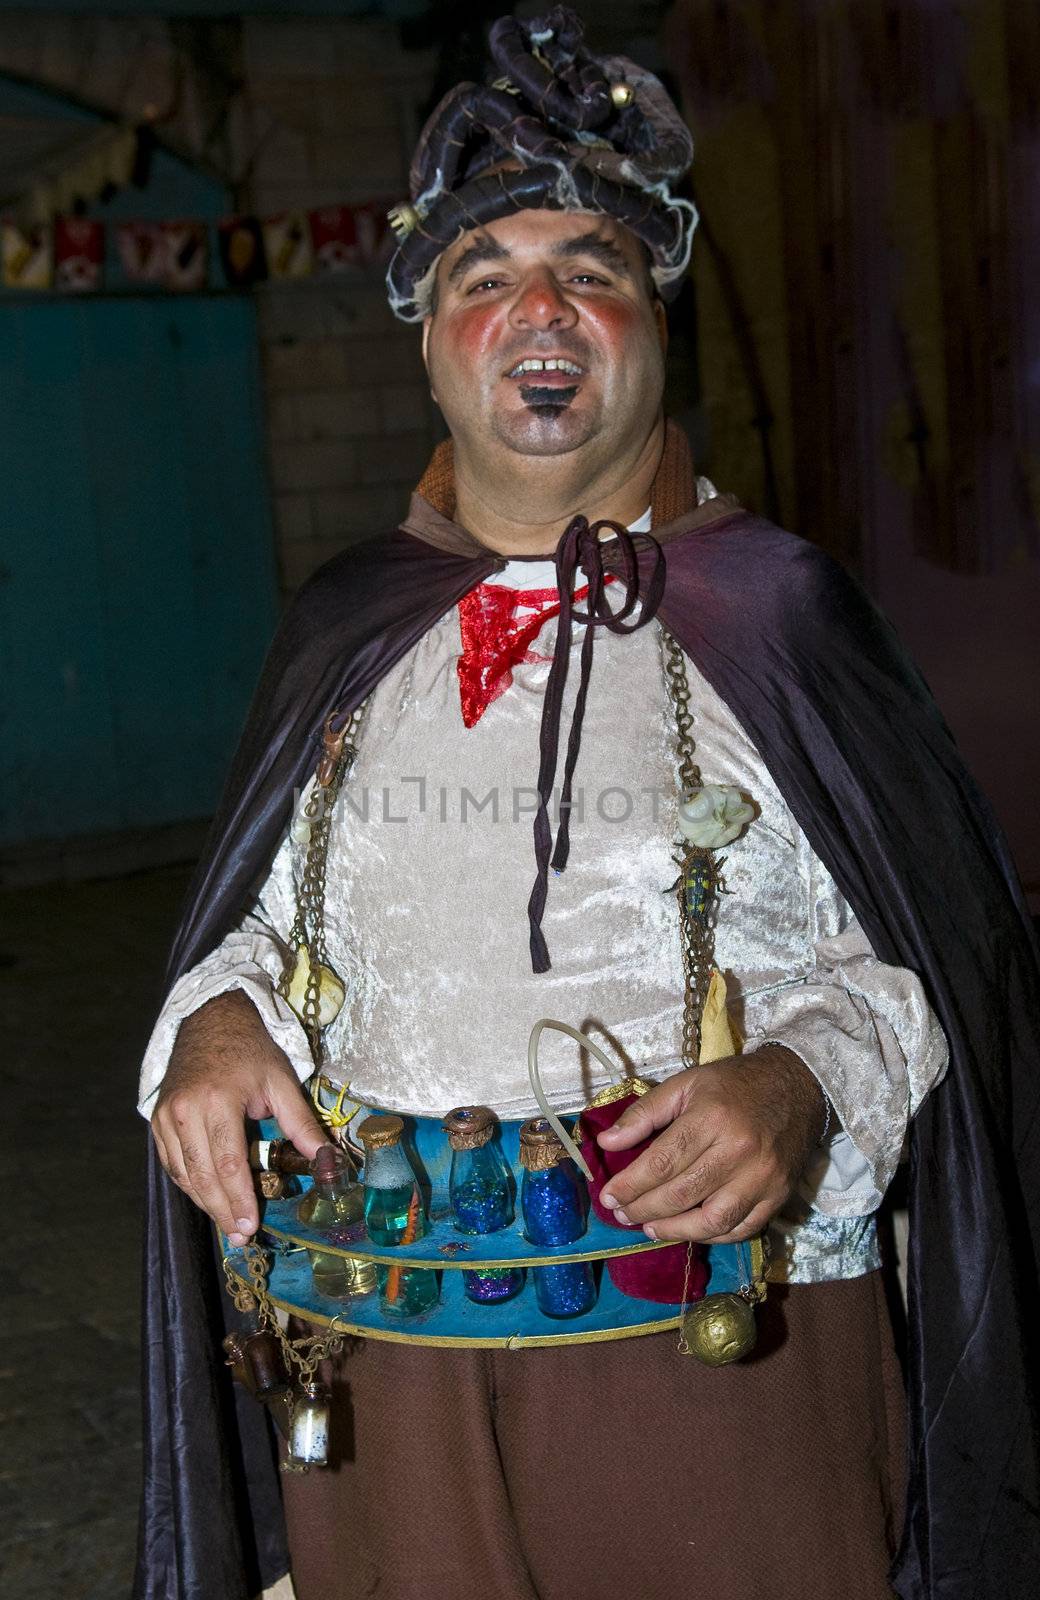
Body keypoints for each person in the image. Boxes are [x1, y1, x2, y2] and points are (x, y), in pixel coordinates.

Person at [134, 11, 1040, 1600]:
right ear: (428, 342)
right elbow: (261, 935)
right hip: (387, 1371)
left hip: (725, 1363)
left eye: (592, 269)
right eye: (484, 276)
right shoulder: (352, 627)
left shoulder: (780, 615)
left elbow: (929, 973)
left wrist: (805, 1085)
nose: (538, 306)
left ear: (650, 329)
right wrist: (211, 1023)